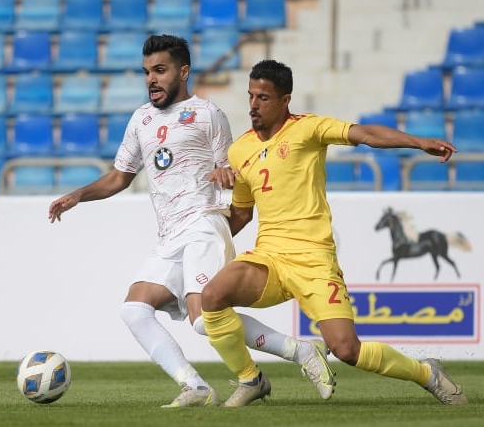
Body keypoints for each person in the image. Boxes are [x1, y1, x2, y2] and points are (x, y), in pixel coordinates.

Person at [48, 36, 336, 408]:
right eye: (147, 72)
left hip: (204, 224)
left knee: (203, 320)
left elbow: (231, 169)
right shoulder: (141, 119)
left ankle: (299, 353)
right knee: (134, 310)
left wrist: (226, 179)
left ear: (183, 72)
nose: (151, 79)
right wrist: (78, 196)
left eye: (160, 71)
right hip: (169, 235)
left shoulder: (208, 114)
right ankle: (195, 386)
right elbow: (120, 176)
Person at [201, 59, 469, 407]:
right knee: (211, 296)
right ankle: (250, 379)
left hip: (313, 259)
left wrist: (417, 142)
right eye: (251, 96)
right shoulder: (239, 150)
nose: (253, 105)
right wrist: (203, 227)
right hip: (269, 257)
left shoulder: (309, 129)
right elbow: (241, 214)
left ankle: (427, 374)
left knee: (346, 349)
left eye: (263, 98)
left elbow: (367, 134)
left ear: (285, 100)